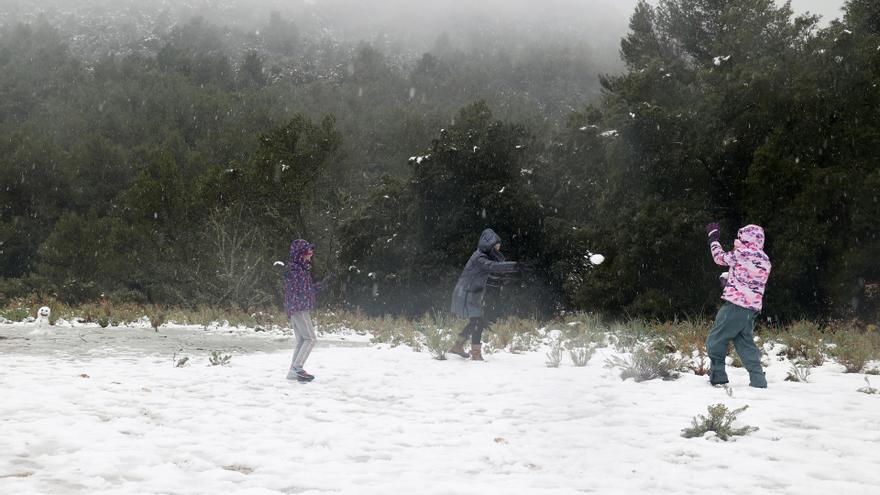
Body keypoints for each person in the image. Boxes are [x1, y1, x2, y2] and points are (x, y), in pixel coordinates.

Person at [704, 223, 772, 388]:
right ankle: (758, 380)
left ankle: (718, 376)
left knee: (715, 340)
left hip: (734, 306)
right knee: (745, 344)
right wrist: (730, 280)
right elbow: (749, 280)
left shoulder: (742, 253)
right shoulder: (765, 259)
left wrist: (713, 238)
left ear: (746, 237)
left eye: (741, 236)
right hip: (751, 310)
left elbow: (719, 257)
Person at [449, 228, 519, 360]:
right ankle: (475, 354)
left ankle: (458, 346)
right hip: (466, 293)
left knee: (476, 321)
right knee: (478, 322)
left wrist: (507, 276)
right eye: (496, 246)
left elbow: (491, 272)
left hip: (472, 292)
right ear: (490, 245)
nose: (498, 249)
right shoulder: (479, 257)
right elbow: (492, 266)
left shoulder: (483, 256)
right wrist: (514, 266)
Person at [283, 239, 330, 382]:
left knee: (302, 340)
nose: (311, 254)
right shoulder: (296, 271)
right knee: (310, 338)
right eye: (308, 251)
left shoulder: (299, 269)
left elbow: (307, 290)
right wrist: (320, 286)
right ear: (301, 254)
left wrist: (323, 285)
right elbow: (301, 291)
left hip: (295, 308)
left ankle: (293, 371)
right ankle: (297, 368)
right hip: (299, 308)